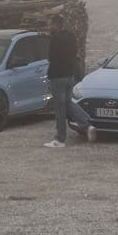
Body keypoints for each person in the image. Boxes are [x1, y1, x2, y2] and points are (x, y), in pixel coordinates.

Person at [44, 14, 78, 148]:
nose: (49, 27)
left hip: (58, 76)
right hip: (70, 75)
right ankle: (88, 125)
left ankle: (60, 139)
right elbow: (75, 53)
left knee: (59, 108)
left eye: (50, 24)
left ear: (56, 25)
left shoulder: (55, 39)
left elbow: (51, 58)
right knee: (69, 104)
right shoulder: (71, 36)